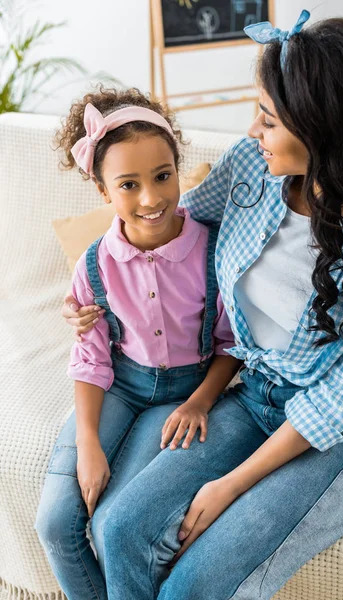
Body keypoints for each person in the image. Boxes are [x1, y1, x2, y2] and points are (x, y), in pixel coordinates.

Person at [61, 10, 343, 600]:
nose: (250, 132)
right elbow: (172, 216)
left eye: (267, 119)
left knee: (193, 585)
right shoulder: (252, 170)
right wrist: (94, 280)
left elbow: (342, 395)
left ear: (323, 127)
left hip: (335, 431)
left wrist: (228, 487)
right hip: (254, 392)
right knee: (117, 529)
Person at [34, 87, 241, 600]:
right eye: (129, 184)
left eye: (163, 176)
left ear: (177, 168)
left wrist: (200, 400)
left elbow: (231, 342)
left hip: (181, 395)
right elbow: (91, 357)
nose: (151, 198)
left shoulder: (214, 252)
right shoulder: (93, 265)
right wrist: (88, 444)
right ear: (104, 190)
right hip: (118, 387)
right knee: (57, 523)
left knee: (114, 522)